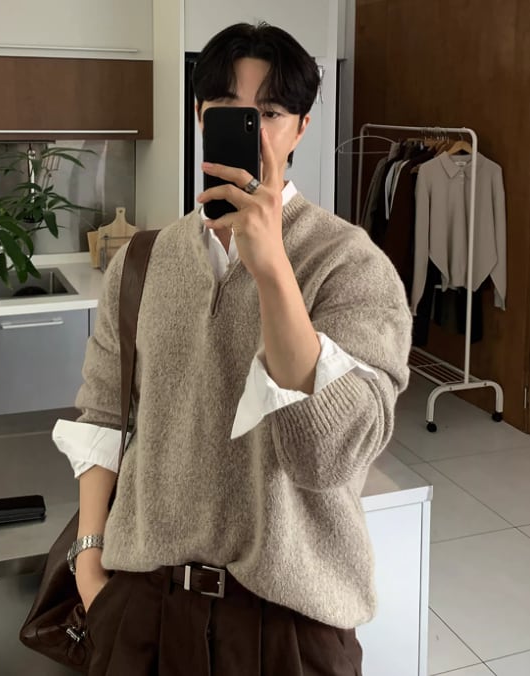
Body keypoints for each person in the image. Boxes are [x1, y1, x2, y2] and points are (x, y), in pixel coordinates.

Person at [53, 21, 412, 676]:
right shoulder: (141, 260)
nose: (253, 129)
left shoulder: (351, 264)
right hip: (143, 610)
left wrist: (272, 268)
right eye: (227, 109)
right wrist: (89, 561)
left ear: (300, 128)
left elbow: (327, 458)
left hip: (289, 624)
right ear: (200, 117)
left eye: (269, 113)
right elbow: (103, 416)